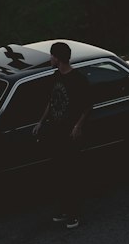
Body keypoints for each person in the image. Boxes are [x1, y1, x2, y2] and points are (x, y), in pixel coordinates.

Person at [33, 41, 94, 229]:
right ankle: (63, 209)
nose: (50, 59)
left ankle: (74, 214)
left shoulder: (78, 79)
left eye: (52, 56)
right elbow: (51, 102)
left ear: (58, 58)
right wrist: (41, 121)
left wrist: (78, 126)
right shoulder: (55, 76)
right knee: (59, 173)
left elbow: (88, 105)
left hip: (70, 134)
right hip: (56, 133)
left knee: (71, 175)